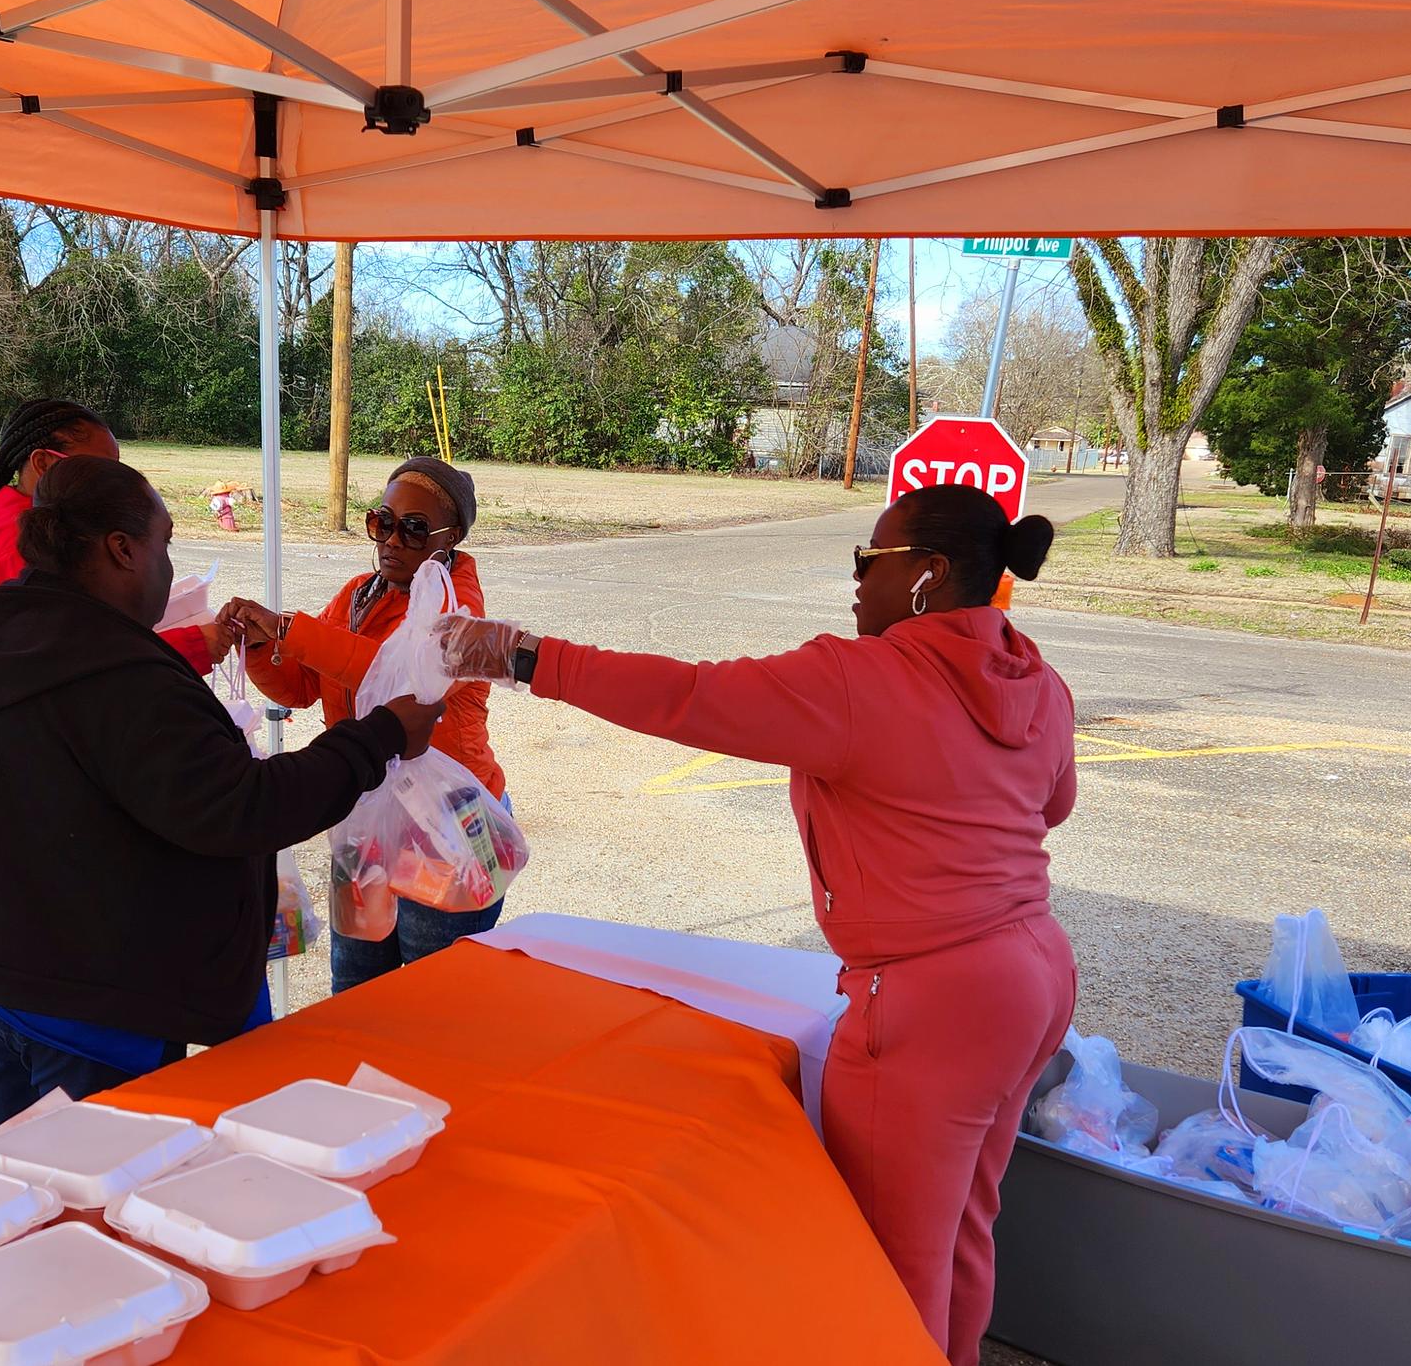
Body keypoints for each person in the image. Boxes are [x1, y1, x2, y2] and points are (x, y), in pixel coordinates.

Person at [438, 484, 1078, 1366]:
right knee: (966, 1222)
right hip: (1034, 971)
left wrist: (523, 656)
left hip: (933, 997)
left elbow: (686, 697)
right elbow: (1054, 804)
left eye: (870, 558)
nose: (854, 578)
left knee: (893, 1265)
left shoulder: (862, 678)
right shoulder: (1032, 673)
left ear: (928, 576)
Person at [0, 457, 441, 1128]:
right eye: (164, 542)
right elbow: (245, 807)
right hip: (83, 1000)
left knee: (18, 1176)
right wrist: (380, 735)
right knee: (97, 1185)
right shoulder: (118, 674)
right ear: (121, 549)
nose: (168, 562)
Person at [219, 455, 507, 995]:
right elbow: (302, 687)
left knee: (431, 998)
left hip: (444, 829)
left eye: (414, 530)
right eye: (383, 523)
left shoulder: (459, 612)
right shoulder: (358, 595)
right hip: (365, 817)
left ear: (451, 539)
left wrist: (289, 628)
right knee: (354, 984)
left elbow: (394, 679)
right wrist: (263, 648)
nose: (392, 540)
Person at [0, 397, 229, 671]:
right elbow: (51, 664)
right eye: (96, 467)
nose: (111, 481)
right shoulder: (15, 540)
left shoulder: (28, 517)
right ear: (43, 463)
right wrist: (189, 646)